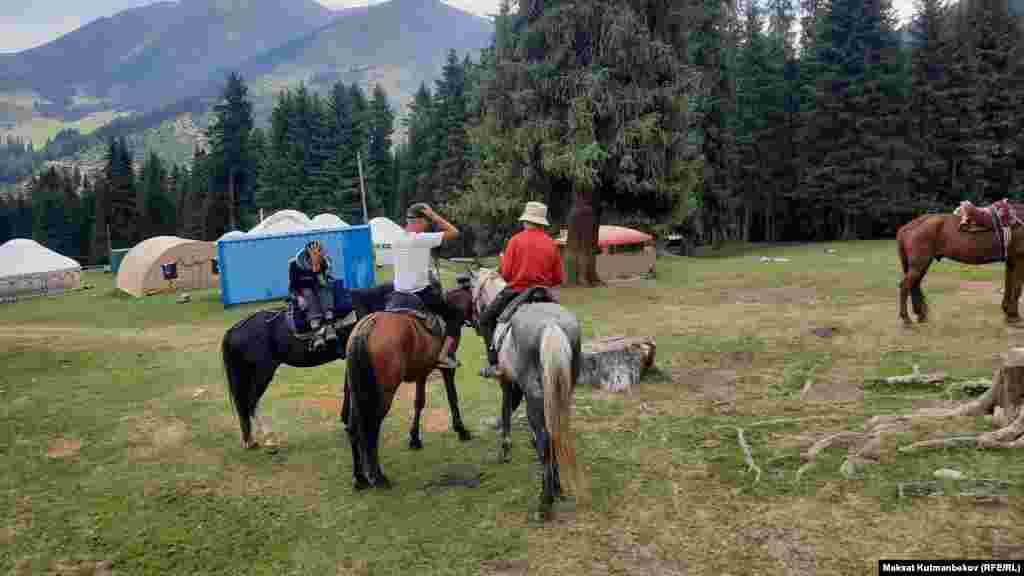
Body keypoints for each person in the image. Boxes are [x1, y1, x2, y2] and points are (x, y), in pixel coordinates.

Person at [478, 201, 564, 378]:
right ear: (541, 222)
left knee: (485, 320)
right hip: (544, 294)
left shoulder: (515, 241)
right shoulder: (551, 244)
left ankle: (493, 364)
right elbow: (558, 278)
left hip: (517, 291)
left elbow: (507, 274)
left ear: (526, 221)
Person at [394, 202, 461, 369]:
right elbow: (454, 232)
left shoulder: (398, 238)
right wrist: (433, 215)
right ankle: (444, 355)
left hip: (398, 293)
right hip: (420, 293)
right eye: (425, 223)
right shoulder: (421, 239)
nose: (426, 227)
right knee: (455, 315)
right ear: (418, 221)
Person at [289, 240, 337, 350]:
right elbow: (292, 287)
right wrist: (299, 298)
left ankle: (329, 326)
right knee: (308, 292)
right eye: (315, 253)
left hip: (319, 289)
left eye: (320, 252)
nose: (319, 254)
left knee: (325, 289)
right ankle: (316, 332)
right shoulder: (294, 265)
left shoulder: (324, 262)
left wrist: (317, 269)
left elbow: (324, 283)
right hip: (304, 293)